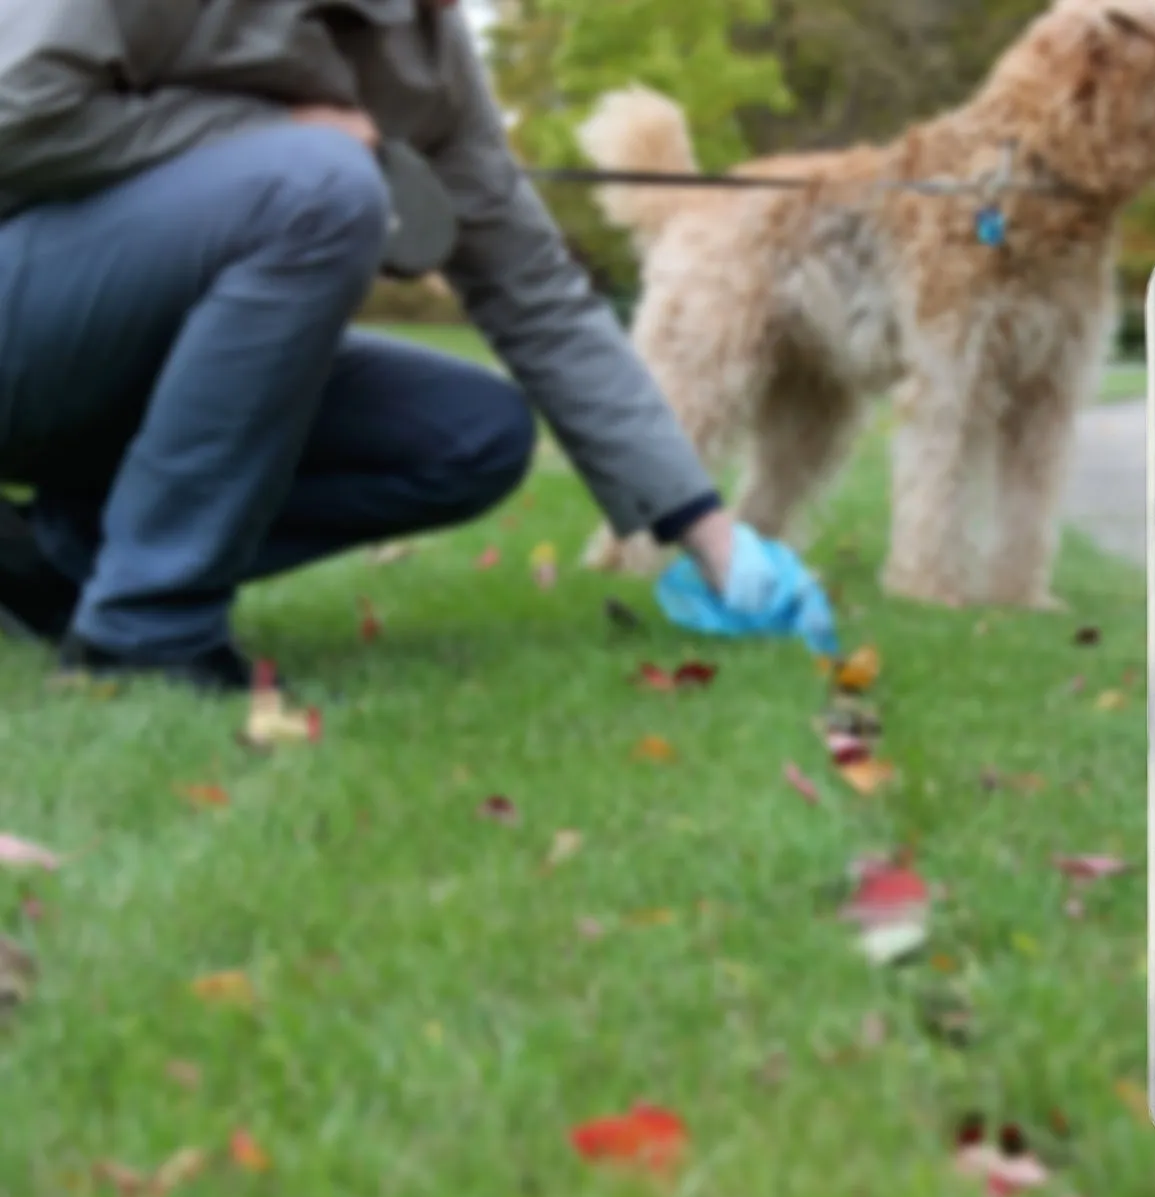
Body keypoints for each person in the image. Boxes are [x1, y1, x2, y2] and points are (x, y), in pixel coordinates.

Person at [0, 0, 834, 693]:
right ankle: (145, 632)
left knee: (471, 435)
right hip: (26, 321)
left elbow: (532, 290)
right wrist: (266, 130)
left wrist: (707, 531)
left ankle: (55, 558)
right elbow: (16, 110)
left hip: (137, 367)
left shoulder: (426, 51)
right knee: (322, 182)